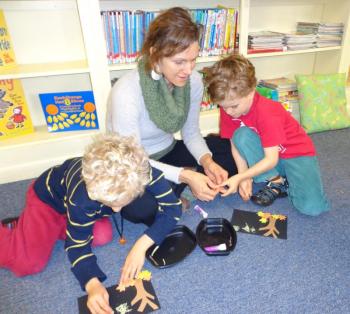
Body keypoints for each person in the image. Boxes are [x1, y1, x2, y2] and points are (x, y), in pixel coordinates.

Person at [0, 133, 182, 314]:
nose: (117, 211)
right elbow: (77, 245)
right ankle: (24, 229)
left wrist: (140, 246)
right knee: (29, 263)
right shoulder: (82, 198)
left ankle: (42, 228)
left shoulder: (141, 170)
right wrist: (91, 284)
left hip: (78, 208)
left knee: (102, 235)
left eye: (121, 202)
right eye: (111, 204)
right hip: (48, 202)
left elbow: (173, 208)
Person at [107, 7, 237, 203]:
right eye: (179, 62)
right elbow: (131, 161)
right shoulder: (126, 92)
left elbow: (191, 132)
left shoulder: (193, 81)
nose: (188, 69)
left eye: (193, 60)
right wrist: (185, 175)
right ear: (155, 55)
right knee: (139, 205)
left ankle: (182, 183)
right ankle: (185, 179)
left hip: (168, 149)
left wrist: (207, 162)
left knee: (229, 153)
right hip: (135, 161)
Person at [202, 54, 330, 216]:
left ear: (250, 92)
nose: (228, 112)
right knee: (241, 135)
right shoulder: (229, 104)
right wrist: (243, 176)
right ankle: (277, 182)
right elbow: (235, 142)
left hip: (296, 154)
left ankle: (293, 182)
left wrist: (241, 177)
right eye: (223, 107)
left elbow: (271, 159)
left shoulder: (267, 112)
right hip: (270, 152)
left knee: (312, 208)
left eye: (233, 106)